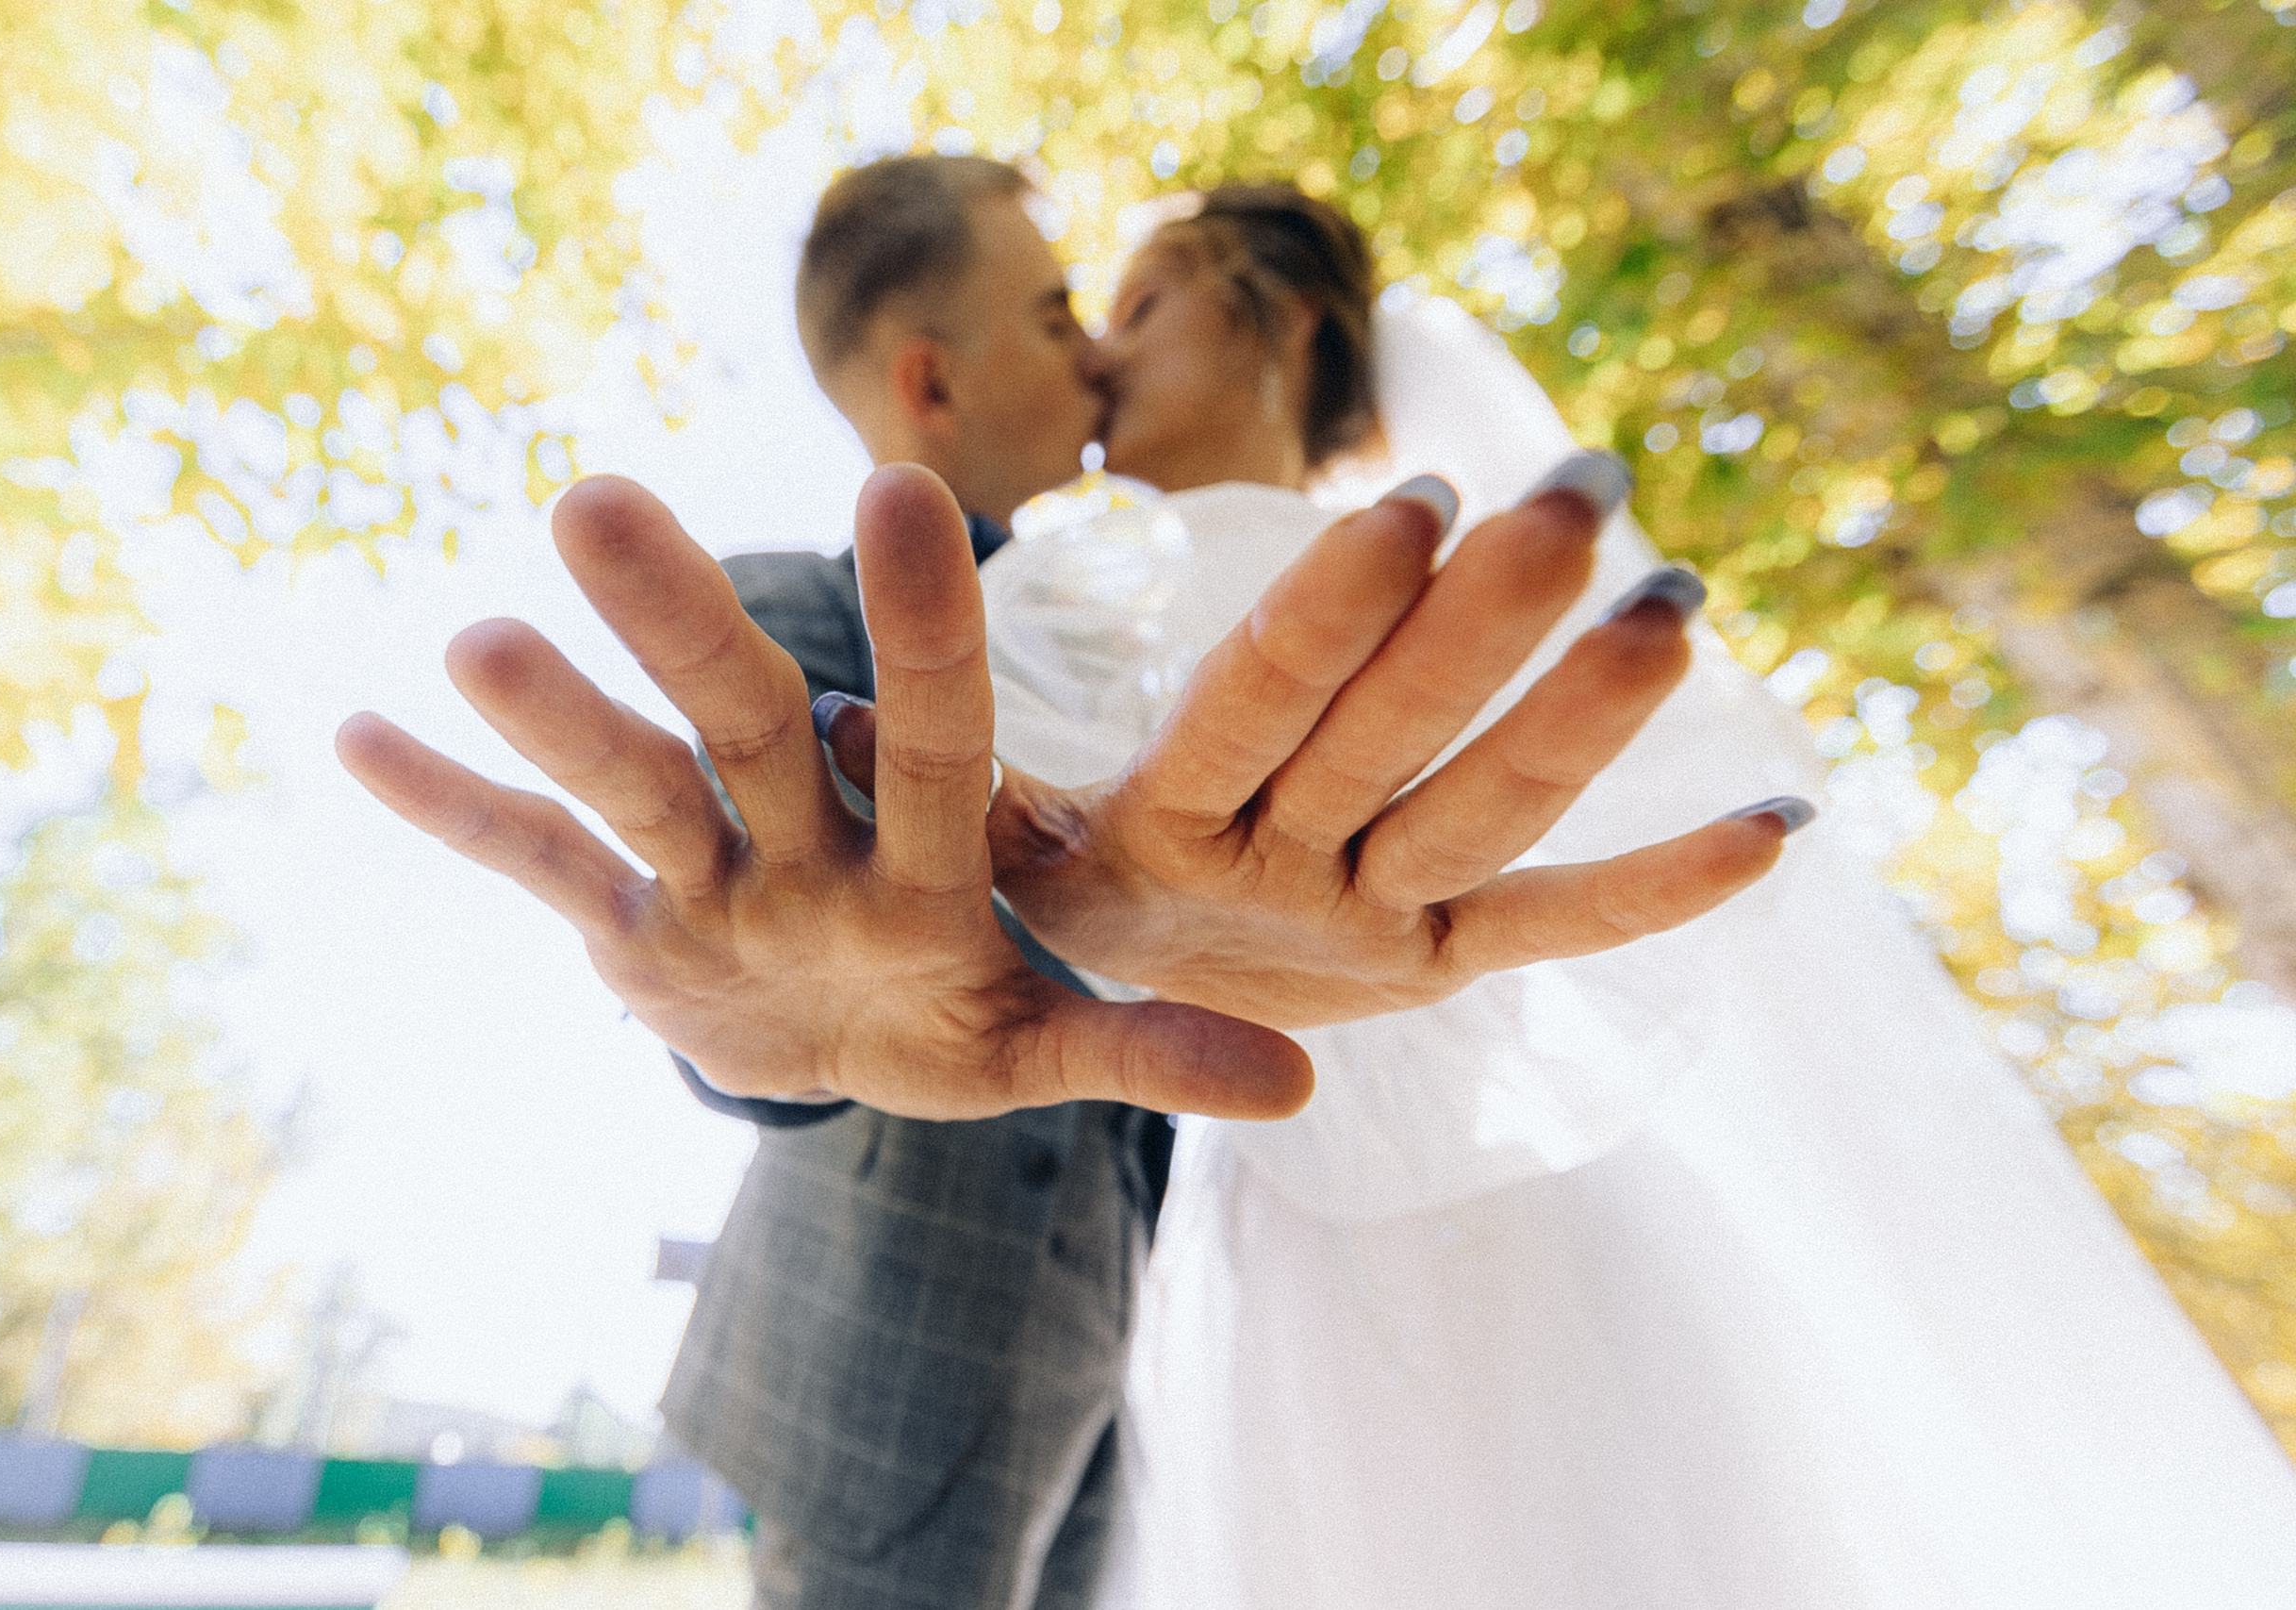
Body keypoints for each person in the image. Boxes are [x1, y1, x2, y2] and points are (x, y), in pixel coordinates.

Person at [335, 157, 1794, 1609]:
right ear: (937, 381)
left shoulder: (1201, 617)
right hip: (894, 1381)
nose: (1095, 351)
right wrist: (765, 1038)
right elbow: (760, 888)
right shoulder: (794, 611)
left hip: (1177, 1360)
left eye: (1114, 309)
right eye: (1055, 316)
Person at [963, 183, 2296, 1609]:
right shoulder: (1063, 589)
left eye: (1142, 308)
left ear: (1281, 324)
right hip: (1271, 1227)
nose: (1098, 367)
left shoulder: (1458, 605)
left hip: (1541, 1216)